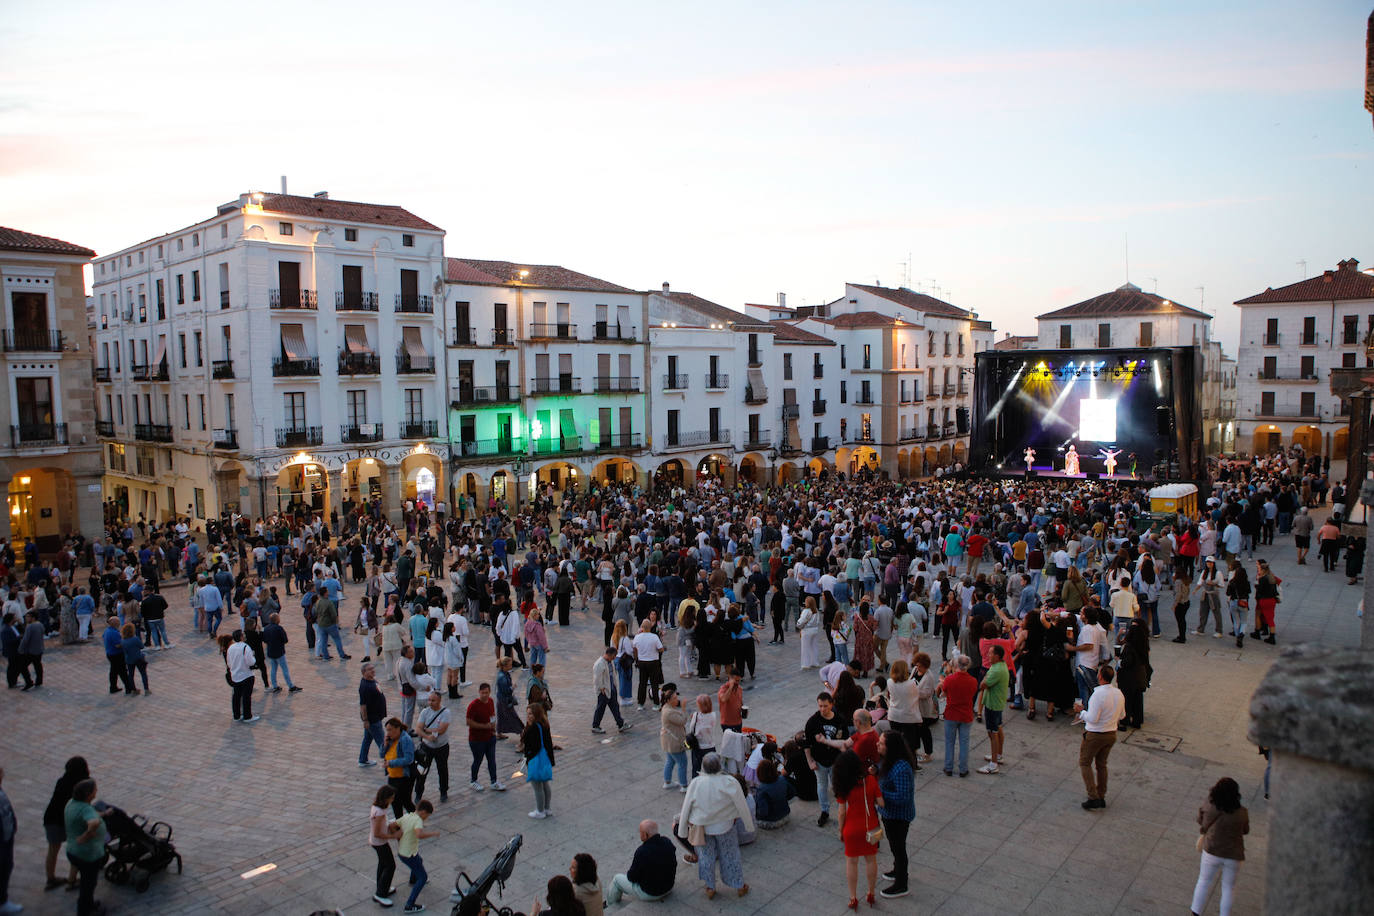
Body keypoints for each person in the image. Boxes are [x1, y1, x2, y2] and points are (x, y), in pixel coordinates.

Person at [676, 753, 752, 900]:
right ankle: (739, 885)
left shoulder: (696, 783)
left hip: (703, 828)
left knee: (706, 857)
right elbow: (741, 804)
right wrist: (748, 825)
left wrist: (682, 830)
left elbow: (686, 807)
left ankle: (710, 887)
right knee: (730, 855)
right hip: (725, 826)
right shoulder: (729, 781)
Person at [1190, 777, 1249, 916]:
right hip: (1234, 854)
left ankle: (1195, 913)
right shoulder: (1242, 812)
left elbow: (1200, 820)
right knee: (1228, 888)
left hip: (1212, 850)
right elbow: (1245, 830)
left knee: (1203, 881)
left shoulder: (1209, 806)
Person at [832, 749, 881, 910]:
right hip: (871, 826)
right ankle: (871, 893)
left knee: (852, 863)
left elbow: (841, 812)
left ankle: (853, 897)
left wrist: (840, 831)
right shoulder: (871, 780)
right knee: (871, 860)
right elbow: (881, 803)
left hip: (852, 829)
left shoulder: (844, 785)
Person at [1075, 664, 1125, 810]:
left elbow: (1092, 718)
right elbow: (1122, 715)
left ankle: (1093, 796)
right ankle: (1101, 795)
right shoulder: (1118, 693)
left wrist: (1081, 711)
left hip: (1096, 734)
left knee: (1085, 763)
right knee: (1101, 764)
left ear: (1100, 677)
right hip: (1111, 733)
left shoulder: (1098, 694)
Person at [874, 732, 915, 899]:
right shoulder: (887, 761)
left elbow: (903, 797)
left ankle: (901, 883)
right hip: (889, 814)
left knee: (899, 849)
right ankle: (897, 870)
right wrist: (876, 770)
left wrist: (880, 793)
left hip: (898, 817)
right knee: (894, 845)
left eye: (882, 743)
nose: (878, 744)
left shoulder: (901, 768)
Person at [64, 778, 110, 916]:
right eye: (95, 789)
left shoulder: (72, 803)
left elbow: (91, 816)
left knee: (87, 881)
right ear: (89, 794)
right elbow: (94, 822)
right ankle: (84, 910)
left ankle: (89, 904)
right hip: (87, 854)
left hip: (73, 850)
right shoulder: (85, 808)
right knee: (88, 884)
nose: (97, 791)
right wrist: (87, 835)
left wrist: (104, 814)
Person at [804, 691, 850, 825]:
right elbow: (806, 743)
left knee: (838, 786)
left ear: (831, 704)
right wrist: (810, 761)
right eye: (820, 706)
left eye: (825, 706)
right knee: (821, 785)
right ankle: (824, 811)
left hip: (836, 760)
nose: (822, 709)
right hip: (819, 760)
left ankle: (842, 810)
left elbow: (846, 741)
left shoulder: (840, 720)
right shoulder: (812, 721)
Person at [43, 756, 88, 891]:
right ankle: (72, 880)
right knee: (76, 850)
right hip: (69, 822)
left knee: (52, 850)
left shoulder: (62, 781)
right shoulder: (81, 786)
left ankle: (51, 879)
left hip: (51, 819)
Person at [606, 819, 676, 905]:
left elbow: (631, 877)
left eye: (640, 832)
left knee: (617, 879)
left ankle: (610, 905)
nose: (639, 834)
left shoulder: (642, 851)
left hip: (651, 893)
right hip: (669, 887)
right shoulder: (667, 842)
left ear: (646, 835)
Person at [395, 798, 438, 914]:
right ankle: (409, 905)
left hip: (402, 852)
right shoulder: (418, 820)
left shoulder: (408, 816)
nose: (426, 819)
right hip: (409, 854)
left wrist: (397, 836)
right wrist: (433, 834)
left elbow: (392, 825)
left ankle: (413, 880)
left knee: (419, 860)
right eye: (427, 816)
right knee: (423, 877)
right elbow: (419, 835)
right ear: (423, 812)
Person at [937, 655, 977, 777]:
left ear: (956, 666)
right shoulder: (973, 681)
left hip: (951, 714)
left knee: (950, 742)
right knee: (964, 742)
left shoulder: (950, 680)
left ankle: (948, 767)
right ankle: (963, 769)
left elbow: (943, 694)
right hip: (966, 714)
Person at [465, 683, 507, 792]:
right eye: (482, 693)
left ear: (489, 693)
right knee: (478, 760)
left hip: (490, 737)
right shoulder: (473, 705)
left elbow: (492, 716)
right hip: (477, 739)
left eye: (486, 693)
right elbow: (468, 722)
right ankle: (473, 781)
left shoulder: (491, 701)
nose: (484, 695)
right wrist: (484, 726)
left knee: (492, 760)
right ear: (479, 692)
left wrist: (493, 728)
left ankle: (494, 781)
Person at [975, 645, 1009, 773]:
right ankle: (998, 755)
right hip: (998, 703)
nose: (988, 655)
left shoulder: (996, 670)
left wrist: (984, 681)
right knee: (998, 728)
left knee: (992, 733)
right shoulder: (1001, 666)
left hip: (992, 704)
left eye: (990, 653)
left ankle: (993, 764)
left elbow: (982, 684)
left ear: (997, 656)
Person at [415, 690, 452, 803]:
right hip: (427, 747)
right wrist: (427, 736)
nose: (430, 702)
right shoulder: (425, 712)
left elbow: (441, 729)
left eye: (433, 700)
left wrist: (426, 730)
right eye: (429, 700)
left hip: (442, 747)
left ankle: (443, 791)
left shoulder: (445, 712)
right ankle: (418, 794)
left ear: (439, 700)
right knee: (422, 771)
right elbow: (418, 729)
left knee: (442, 769)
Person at [520, 703, 556, 819]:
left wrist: (528, 758)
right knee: (545, 784)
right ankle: (547, 808)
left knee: (537, 787)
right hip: (544, 759)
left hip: (535, 760)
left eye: (530, 713)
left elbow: (530, 746)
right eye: (527, 714)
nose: (528, 716)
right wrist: (551, 760)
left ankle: (540, 811)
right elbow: (548, 743)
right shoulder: (544, 724)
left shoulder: (533, 728)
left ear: (536, 714)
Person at [369, 785, 401, 908]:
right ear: (386, 798)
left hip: (376, 842)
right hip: (379, 843)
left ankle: (382, 887)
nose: (392, 800)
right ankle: (380, 894)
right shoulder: (380, 812)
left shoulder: (376, 808)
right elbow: (378, 833)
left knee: (383, 864)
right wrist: (393, 836)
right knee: (390, 866)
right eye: (391, 798)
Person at [1117, 619, 1151, 729]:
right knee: (1137, 699)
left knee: (1127, 699)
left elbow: (1127, 662)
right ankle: (1137, 721)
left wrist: (1119, 660)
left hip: (1129, 677)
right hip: (1140, 676)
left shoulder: (1130, 647)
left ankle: (1125, 721)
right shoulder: (1143, 644)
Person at [382, 717, 417, 817]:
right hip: (393, 775)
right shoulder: (390, 739)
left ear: (397, 728)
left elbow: (408, 759)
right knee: (394, 801)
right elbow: (382, 754)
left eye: (390, 730)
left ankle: (416, 820)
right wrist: (385, 745)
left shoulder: (405, 739)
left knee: (405, 800)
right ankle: (400, 823)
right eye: (387, 730)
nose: (388, 733)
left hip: (404, 776)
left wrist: (391, 763)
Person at [591, 646, 631, 735]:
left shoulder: (610, 662)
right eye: (614, 656)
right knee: (600, 708)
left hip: (611, 688)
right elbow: (597, 678)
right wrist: (601, 688)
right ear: (610, 654)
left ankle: (620, 724)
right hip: (604, 690)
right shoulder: (599, 664)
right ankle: (595, 726)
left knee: (615, 707)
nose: (614, 658)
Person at [659, 683, 690, 791]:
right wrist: (684, 709)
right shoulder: (669, 712)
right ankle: (684, 785)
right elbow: (682, 721)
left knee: (670, 761)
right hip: (674, 742)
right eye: (675, 698)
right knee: (682, 763)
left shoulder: (666, 708)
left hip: (669, 741)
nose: (677, 700)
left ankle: (667, 781)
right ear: (668, 700)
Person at [359, 660, 389, 768]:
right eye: (369, 669)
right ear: (364, 672)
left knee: (367, 738)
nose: (373, 670)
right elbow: (363, 706)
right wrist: (365, 720)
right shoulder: (365, 687)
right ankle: (388, 761)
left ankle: (362, 759)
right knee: (382, 741)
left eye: (373, 668)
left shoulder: (372, 681)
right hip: (373, 719)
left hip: (376, 717)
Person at [262, 613, 301, 693]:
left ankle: (275, 686)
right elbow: (285, 640)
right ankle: (291, 686)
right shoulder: (279, 628)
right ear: (277, 620)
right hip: (279, 652)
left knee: (273, 669)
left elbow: (265, 640)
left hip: (270, 651)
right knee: (284, 669)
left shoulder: (266, 628)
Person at [226, 629, 259, 722]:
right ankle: (247, 716)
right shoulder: (245, 647)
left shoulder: (231, 648)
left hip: (235, 676)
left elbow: (229, 662)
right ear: (240, 637)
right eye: (243, 635)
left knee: (236, 696)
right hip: (246, 675)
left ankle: (236, 715)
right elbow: (251, 662)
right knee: (246, 696)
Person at [687, 694, 718, 777]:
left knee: (696, 769)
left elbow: (691, 729)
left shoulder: (696, 715)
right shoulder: (713, 715)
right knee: (712, 769)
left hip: (698, 746)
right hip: (710, 745)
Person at [103, 616, 136, 695]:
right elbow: (118, 645)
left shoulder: (107, 630)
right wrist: (125, 642)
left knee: (113, 671)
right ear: (115, 624)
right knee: (122, 671)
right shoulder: (114, 633)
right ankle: (128, 688)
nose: (119, 624)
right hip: (116, 655)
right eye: (118, 622)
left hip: (110, 653)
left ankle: (113, 687)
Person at [120, 623, 150, 694]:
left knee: (131, 675)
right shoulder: (135, 639)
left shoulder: (123, 641)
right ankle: (146, 689)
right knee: (143, 674)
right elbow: (142, 646)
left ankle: (134, 690)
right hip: (138, 658)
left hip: (129, 659)